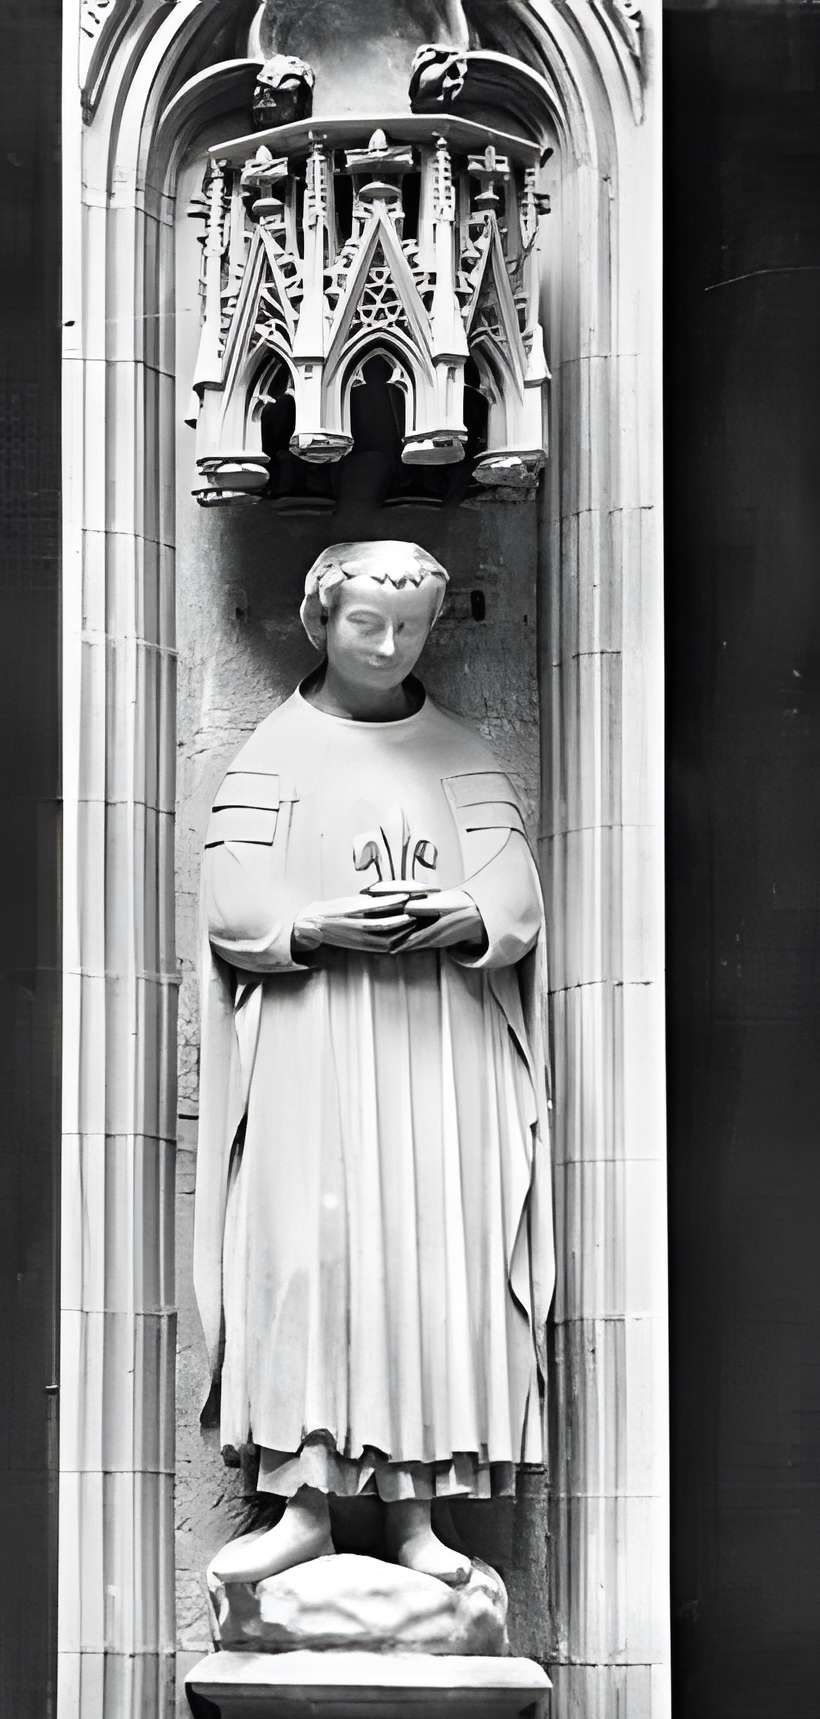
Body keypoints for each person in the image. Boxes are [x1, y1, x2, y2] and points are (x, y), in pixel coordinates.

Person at [194, 540, 553, 1585]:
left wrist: (465, 912)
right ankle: (303, 1499)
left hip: (437, 1054)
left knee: (426, 1267)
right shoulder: (271, 754)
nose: (389, 645)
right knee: (311, 1258)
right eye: (367, 624)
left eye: (409, 628)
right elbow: (232, 906)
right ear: (320, 622)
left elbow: (515, 900)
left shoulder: (461, 753)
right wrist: (312, 924)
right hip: (315, 1040)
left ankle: (415, 1518)